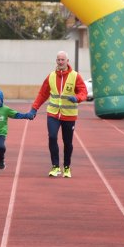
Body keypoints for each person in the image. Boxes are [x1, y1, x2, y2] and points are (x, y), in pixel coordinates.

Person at [28, 50, 87, 178]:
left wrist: (77, 98)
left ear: (67, 61)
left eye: (62, 60)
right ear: (56, 61)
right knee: (52, 137)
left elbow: (83, 92)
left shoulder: (75, 76)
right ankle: (55, 167)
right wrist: (34, 108)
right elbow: (42, 94)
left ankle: (66, 167)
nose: (60, 62)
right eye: (58, 60)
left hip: (69, 115)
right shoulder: (51, 76)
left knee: (67, 142)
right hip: (53, 114)